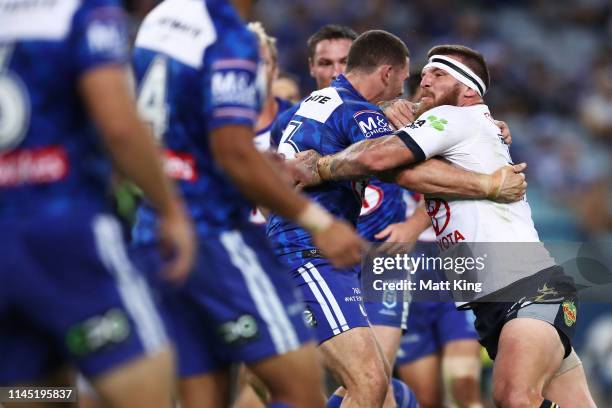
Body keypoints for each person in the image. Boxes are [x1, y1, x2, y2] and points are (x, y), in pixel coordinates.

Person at [294, 43, 596, 408]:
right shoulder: (467, 127)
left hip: (526, 287)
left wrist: (321, 167)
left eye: (439, 74)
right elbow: (404, 167)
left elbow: (379, 158)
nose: (425, 80)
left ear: (468, 90)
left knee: (513, 398)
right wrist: (392, 112)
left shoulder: (455, 118)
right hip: (498, 298)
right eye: (425, 74)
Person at [268, 31, 527, 407]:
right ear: (388, 73)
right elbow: (395, 167)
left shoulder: (324, 104)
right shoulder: (356, 111)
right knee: (369, 382)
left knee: (381, 389)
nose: (410, 90)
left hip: (350, 256)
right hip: (309, 252)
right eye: (406, 79)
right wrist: (487, 181)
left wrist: (483, 125)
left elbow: (401, 126)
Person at [131, 1, 364, 407]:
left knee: (206, 394)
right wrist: (319, 222)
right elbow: (233, 154)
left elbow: (169, 131)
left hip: (158, 227)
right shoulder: (229, 35)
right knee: (300, 386)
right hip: (214, 236)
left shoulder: (161, 19)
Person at [0, 1, 195, 407]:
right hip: (67, 233)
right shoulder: (84, 11)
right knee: (149, 387)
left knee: (36, 390)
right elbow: (120, 127)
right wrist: (171, 209)